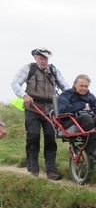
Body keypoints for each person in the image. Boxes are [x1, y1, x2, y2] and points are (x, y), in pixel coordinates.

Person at [11, 47, 69, 179]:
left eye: (46, 58)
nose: (44, 61)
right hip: (33, 108)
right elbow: (15, 83)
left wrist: (67, 99)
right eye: (41, 58)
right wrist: (24, 95)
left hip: (50, 110)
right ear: (35, 58)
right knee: (33, 136)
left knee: (50, 138)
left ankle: (51, 170)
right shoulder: (28, 69)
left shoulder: (53, 70)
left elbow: (65, 86)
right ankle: (33, 168)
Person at [57, 74, 96, 160]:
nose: (84, 88)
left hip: (87, 120)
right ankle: (94, 149)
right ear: (74, 84)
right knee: (86, 117)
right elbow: (62, 109)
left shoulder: (90, 97)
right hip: (69, 121)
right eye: (81, 86)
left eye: (86, 86)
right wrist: (81, 105)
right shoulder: (66, 94)